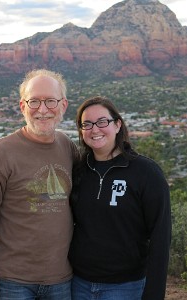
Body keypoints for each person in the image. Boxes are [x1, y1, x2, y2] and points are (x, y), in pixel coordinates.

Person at [0, 69, 79, 300]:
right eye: (34, 101)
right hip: (12, 281)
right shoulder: (2, 152)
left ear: (63, 105)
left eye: (50, 101)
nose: (42, 109)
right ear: (22, 106)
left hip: (61, 279)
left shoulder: (67, 146)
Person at [69, 96, 171, 300]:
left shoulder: (145, 172)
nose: (94, 129)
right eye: (86, 124)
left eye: (102, 122)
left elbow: (161, 236)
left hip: (125, 287)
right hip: (77, 284)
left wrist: (154, 293)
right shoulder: (78, 170)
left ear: (117, 125)